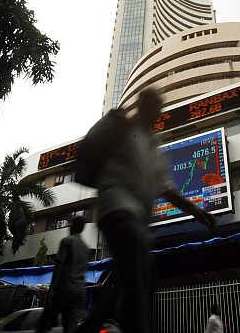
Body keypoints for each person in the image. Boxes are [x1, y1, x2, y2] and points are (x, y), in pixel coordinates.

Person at [80, 88, 216, 333]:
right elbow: (91, 150)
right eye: (151, 103)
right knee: (136, 274)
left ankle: (90, 326)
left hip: (137, 220)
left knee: (138, 279)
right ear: (141, 104)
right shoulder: (120, 127)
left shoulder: (153, 146)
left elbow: (167, 190)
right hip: (116, 211)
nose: (155, 110)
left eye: (158, 105)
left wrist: (199, 213)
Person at [37, 216, 90, 333]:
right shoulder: (86, 248)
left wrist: (51, 290)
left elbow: (59, 267)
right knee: (70, 327)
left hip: (64, 289)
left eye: (71, 224)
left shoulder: (67, 241)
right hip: (80, 291)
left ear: (74, 226)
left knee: (44, 323)